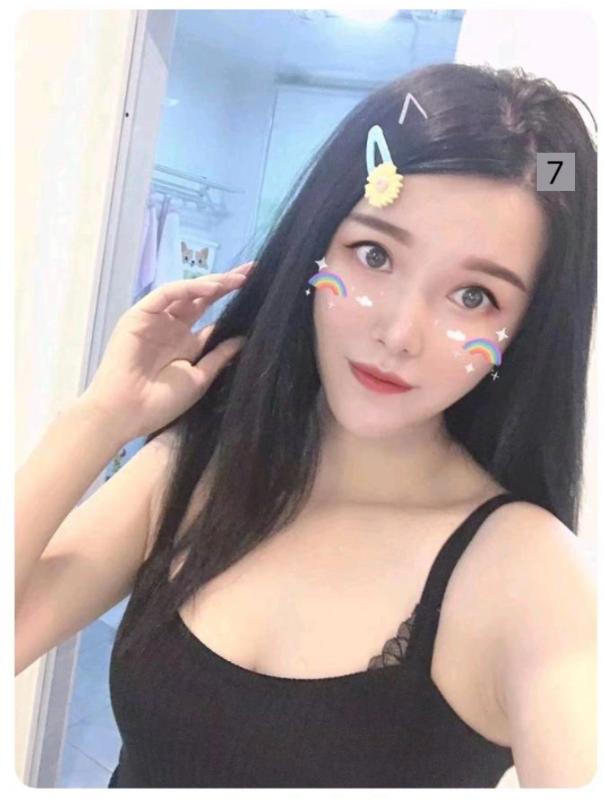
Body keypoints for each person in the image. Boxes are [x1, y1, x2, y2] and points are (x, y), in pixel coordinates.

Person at [15, 62, 597, 789]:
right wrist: (99, 419)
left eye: (473, 296)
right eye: (375, 254)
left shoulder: (528, 576)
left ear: (525, 330)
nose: (398, 333)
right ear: (316, 248)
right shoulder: (201, 464)